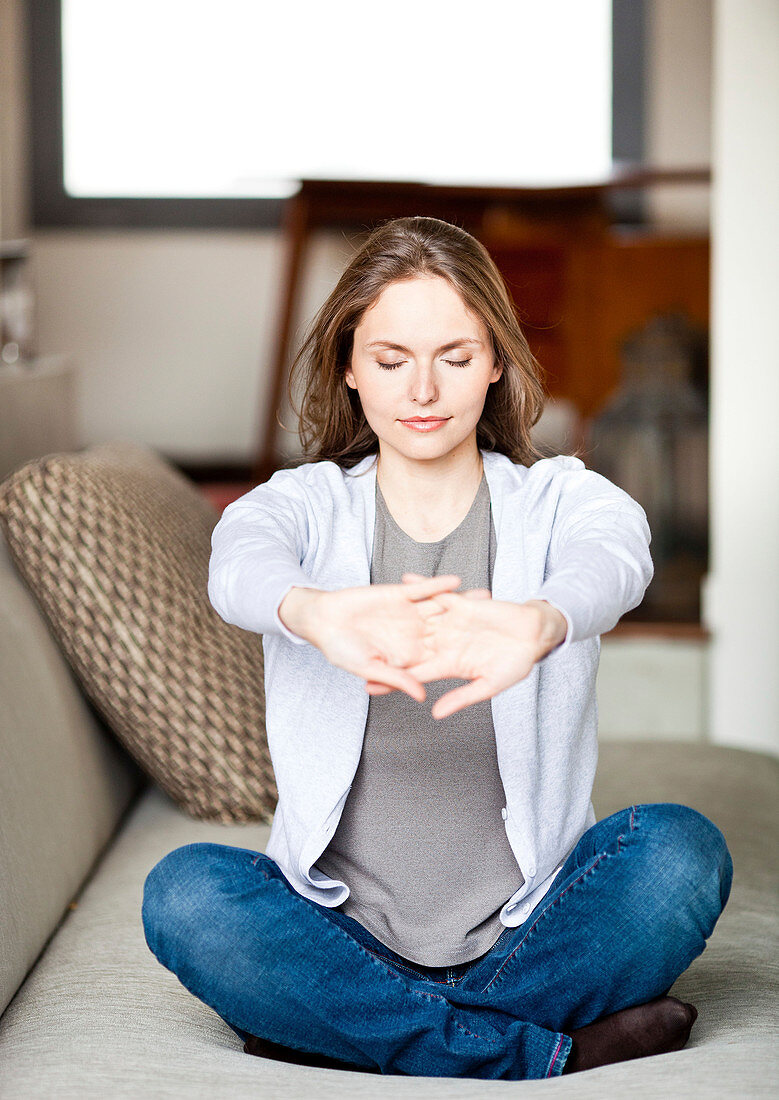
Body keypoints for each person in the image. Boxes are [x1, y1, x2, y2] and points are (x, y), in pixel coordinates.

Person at [141, 216, 733, 1080]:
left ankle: (347, 1031)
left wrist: (541, 621)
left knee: (683, 853)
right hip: (339, 932)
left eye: (454, 357)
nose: (423, 389)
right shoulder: (303, 505)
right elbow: (236, 563)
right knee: (185, 896)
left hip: (532, 929)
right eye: (390, 360)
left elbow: (619, 553)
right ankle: (534, 1055)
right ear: (348, 366)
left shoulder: (554, 499)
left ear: (495, 361)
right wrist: (313, 611)